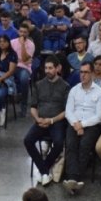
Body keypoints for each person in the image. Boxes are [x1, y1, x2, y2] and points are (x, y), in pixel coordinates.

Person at [24, 56, 69, 186]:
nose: (47, 71)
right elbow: (33, 107)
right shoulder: (39, 85)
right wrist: (38, 119)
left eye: (50, 68)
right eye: (46, 68)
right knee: (27, 140)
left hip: (56, 121)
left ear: (57, 68)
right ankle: (45, 171)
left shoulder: (65, 86)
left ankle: (43, 169)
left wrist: (51, 120)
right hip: (40, 120)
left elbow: (66, 111)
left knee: (59, 143)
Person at [63, 61, 101, 195]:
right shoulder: (74, 90)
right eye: (81, 72)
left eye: (86, 72)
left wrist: (82, 125)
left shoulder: (100, 93)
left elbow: (99, 117)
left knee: (84, 145)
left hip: (91, 125)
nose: (83, 75)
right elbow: (68, 111)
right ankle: (73, 179)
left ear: (92, 74)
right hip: (74, 123)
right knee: (70, 144)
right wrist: (76, 124)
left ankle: (74, 178)